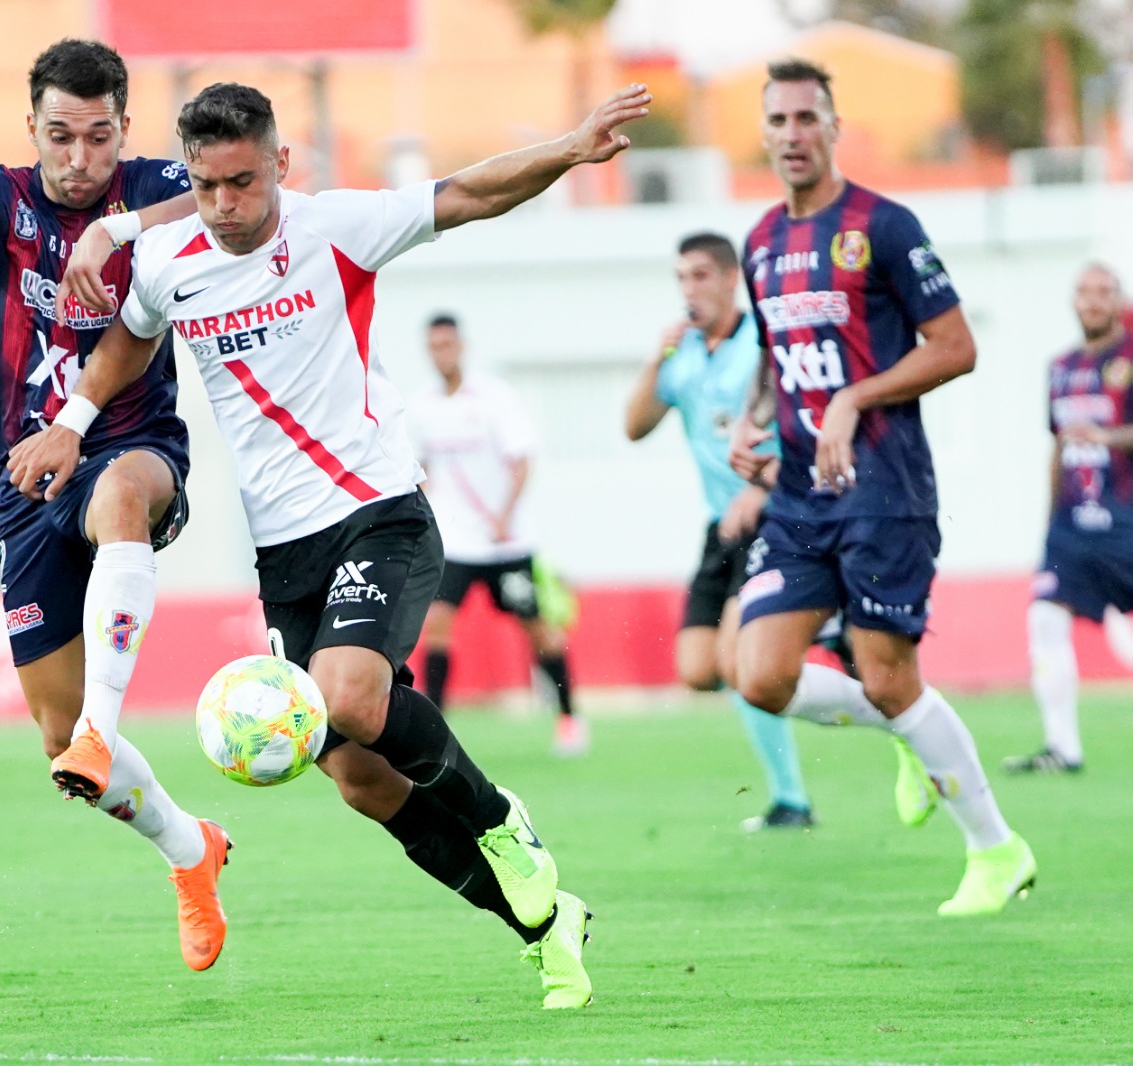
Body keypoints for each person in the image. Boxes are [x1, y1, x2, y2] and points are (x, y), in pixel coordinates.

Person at [10, 80, 655, 1008]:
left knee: (353, 697)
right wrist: (72, 418)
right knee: (357, 778)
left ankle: (502, 822)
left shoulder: (336, 227)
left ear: (280, 163)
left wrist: (568, 147)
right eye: (206, 187)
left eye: (243, 182)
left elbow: (467, 193)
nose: (226, 207)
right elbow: (129, 341)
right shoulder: (167, 257)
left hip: (378, 509)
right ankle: (546, 927)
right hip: (285, 555)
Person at [0, 39, 230, 971]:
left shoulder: (150, 184)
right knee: (56, 741)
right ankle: (192, 849)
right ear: (33, 129)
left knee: (124, 498)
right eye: (60, 136)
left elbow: (238, 182)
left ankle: (107, 725)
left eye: (98, 137)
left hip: (130, 444)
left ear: (124, 132)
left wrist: (125, 225)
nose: (79, 157)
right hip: (22, 481)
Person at [729, 58, 1035, 915]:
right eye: (778, 121)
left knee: (891, 675)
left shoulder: (884, 224)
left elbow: (956, 345)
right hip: (797, 495)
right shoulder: (760, 241)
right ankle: (906, 727)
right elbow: (772, 351)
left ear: (833, 127)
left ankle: (995, 849)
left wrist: (854, 400)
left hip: (885, 488)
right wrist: (756, 420)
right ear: (764, 134)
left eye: (806, 119)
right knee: (757, 673)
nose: (792, 134)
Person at [623, 231, 815, 829]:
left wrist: (761, 487)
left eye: (701, 275)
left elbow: (802, 422)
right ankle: (831, 675)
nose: (690, 289)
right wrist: (657, 357)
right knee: (698, 670)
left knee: (738, 663)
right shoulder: (683, 356)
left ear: (732, 279)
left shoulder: (762, 342)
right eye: (681, 277)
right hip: (720, 528)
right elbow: (633, 426)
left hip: (777, 513)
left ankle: (792, 800)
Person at [408, 313, 586, 756]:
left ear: (461, 346)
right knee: (437, 627)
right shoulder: (423, 406)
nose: (441, 354)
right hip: (457, 543)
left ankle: (568, 716)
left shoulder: (493, 398)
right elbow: (420, 468)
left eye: (448, 345)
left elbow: (522, 461)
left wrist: (505, 516)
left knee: (538, 629)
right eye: (434, 347)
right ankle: (436, 731)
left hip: (506, 543)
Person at [1006, 262, 1133, 774]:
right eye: (1084, 292)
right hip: (1072, 527)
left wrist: (1108, 437)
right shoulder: (1060, 368)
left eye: (1104, 292)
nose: (1093, 301)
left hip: (1125, 518)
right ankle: (1063, 747)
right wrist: (1048, 521)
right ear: (1074, 301)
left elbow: (1105, 435)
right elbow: (1058, 445)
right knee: (1044, 618)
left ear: (1119, 300)